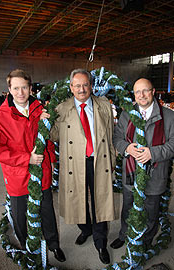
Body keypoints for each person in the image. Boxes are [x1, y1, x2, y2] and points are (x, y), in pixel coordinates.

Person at [0, 69, 66, 262]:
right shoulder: (0, 117)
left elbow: (47, 139)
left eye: (24, 87)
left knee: (47, 211)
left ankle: (54, 244)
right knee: (20, 216)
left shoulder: (40, 110)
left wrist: (49, 157)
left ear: (30, 88)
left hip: (40, 172)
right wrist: (26, 158)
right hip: (17, 175)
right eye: (16, 88)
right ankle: (28, 248)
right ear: (9, 90)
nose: (20, 92)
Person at [50, 68, 116, 264]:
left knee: (100, 203)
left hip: (99, 161)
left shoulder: (103, 105)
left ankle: (100, 242)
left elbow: (110, 135)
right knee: (77, 200)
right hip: (74, 164)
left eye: (85, 84)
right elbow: (54, 136)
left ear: (91, 85)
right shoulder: (61, 108)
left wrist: (111, 159)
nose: (81, 89)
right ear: (70, 87)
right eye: (77, 85)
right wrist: (47, 119)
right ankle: (85, 229)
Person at [110, 78, 174, 250]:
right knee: (128, 207)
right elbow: (117, 138)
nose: (142, 95)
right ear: (134, 95)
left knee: (151, 211)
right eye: (137, 92)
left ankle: (146, 241)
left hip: (156, 173)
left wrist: (152, 153)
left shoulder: (168, 116)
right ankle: (124, 235)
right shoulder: (127, 115)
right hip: (131, 172)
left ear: (153, 92)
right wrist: (127, 148)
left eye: (145, 91)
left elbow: (172, 145)